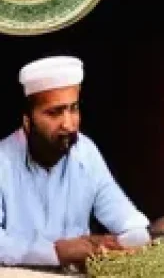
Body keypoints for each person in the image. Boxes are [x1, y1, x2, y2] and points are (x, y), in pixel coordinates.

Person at [0, 57, 149, 267]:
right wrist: (57, 252)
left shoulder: (85, 152)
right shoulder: (3, 161)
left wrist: (120, 242)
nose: (68, 125)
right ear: (27, 121)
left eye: (73, 109)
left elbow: (129, 221)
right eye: (54, 113)